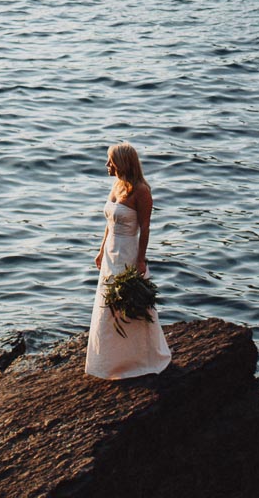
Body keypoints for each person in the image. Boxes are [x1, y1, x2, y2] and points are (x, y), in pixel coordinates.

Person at [84, 141, 172, 379]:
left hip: (127, 251)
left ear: (122, 163)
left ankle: (138, 359)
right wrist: (101, 251)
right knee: (107, 304)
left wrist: (141, 260)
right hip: (111, 251)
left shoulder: (141, 191)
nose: (107, 165)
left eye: (110, 161)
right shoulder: (117, 185)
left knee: (129, 302)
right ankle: (110, 362)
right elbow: (108, 224)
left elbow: (145, 227)